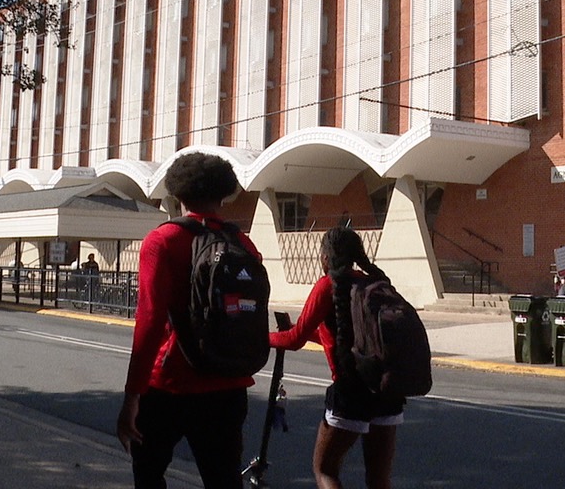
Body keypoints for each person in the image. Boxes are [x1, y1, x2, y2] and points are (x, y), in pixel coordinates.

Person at [116, 153, 261, 489]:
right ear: (224, 194)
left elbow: (150, 321)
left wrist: (132, 395)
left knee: (149, 475)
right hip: (228, 384)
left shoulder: (163, 241)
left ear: (177, 192)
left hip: (169, 386)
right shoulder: (243, 243)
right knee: (224, 480)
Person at [269, 227, 403, 489]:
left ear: (325, 257)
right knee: (378, 479)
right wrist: (305, 333)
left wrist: (264, 337)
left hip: (352, 392)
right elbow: (347, 339)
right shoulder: (374, 283)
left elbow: (294, 339)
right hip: (387, 389)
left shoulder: (327, 286)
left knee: (325, 470)